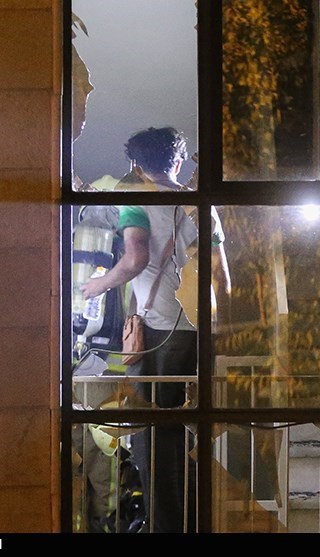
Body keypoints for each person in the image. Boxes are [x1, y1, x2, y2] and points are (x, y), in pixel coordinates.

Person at [80, 126, 230, 532]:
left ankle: (164, 527)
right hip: (195, 331)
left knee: (152, 436)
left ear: (136, 166)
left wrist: (98, 284)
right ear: (177, 162)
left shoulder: (136, 200)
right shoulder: (203, 206)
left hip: (158, 333)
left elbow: (135, 258)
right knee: (186, 433)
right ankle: (189, 521)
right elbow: (222, 276)